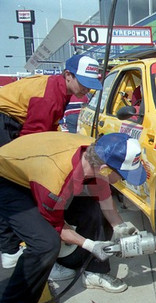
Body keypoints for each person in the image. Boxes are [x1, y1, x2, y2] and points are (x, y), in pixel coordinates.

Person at [0, 132, 147, 303]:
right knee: (45, 242)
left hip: (35, 168)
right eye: (123, 176)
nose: (124, 181)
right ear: (104, 170)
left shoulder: (95, 154)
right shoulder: (56, 179)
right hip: (8, 178)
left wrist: (119, 226)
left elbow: (102, 195)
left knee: (93, 208)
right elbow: (57, 227)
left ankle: (93, 270)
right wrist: (91, 245)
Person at [0, 54, 102, 268]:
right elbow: (33, 143)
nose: (87, 89)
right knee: (12, 178)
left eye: (91, 84)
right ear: (68, 75)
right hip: (4, 121)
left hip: (13, 121)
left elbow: (46, 129)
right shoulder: (50, 96)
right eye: (83, 83)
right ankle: (10, 249)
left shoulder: (61, 89)